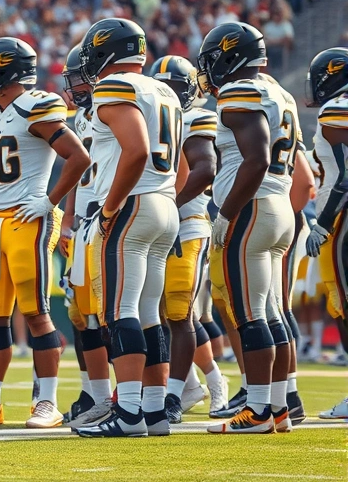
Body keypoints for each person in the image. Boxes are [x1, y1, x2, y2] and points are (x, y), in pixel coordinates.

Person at [0, 37, 89, 428]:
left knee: (37, 312)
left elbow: (78, 157)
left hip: (29, 219)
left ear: (4, 69)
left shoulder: (35, 106)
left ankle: (47, 402)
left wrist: (49, 201)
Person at [73, 18, 181, 438]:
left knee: (121, 311)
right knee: (150, 313)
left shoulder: (117, 87)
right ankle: (153, 412)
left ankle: (130, 412)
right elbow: (182, 166)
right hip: (166, 204)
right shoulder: (165, 90)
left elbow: (135, 151)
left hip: (133, 205)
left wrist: (111, 205)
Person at [198, 22, 297, 434]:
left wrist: (226, 211)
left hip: (252, 208)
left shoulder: (242, 91)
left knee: (251, 314)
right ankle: (278, 407)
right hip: (280, 207)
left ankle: (257, 410)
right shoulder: (279, 91)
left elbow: (255, 160)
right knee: (272, 312)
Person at [146, 55, 224, 424]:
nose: (170, 96)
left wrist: (167, 202)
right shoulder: (150, 117)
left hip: (188, 222)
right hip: (158, 224)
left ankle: (176, 394)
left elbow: (205, 168)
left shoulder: (196, 117)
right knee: (158, 313)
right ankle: (195, 384)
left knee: (178, 312)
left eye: (177, 89)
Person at [58, 45, 114, 428]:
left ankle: (138, 396)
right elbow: (80, 173)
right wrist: (70, 217)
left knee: (114, 313)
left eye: (80, 76)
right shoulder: (82, 116)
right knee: (82, 314)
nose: (75, 85)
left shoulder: (119, 104)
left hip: (112, 218)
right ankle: (96, 394)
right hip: (86, 223)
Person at [304, 47, 348, 420]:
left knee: (344, 303)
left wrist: (323, 221)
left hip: (343, 218)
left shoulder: (337, 108)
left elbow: (345, 178)